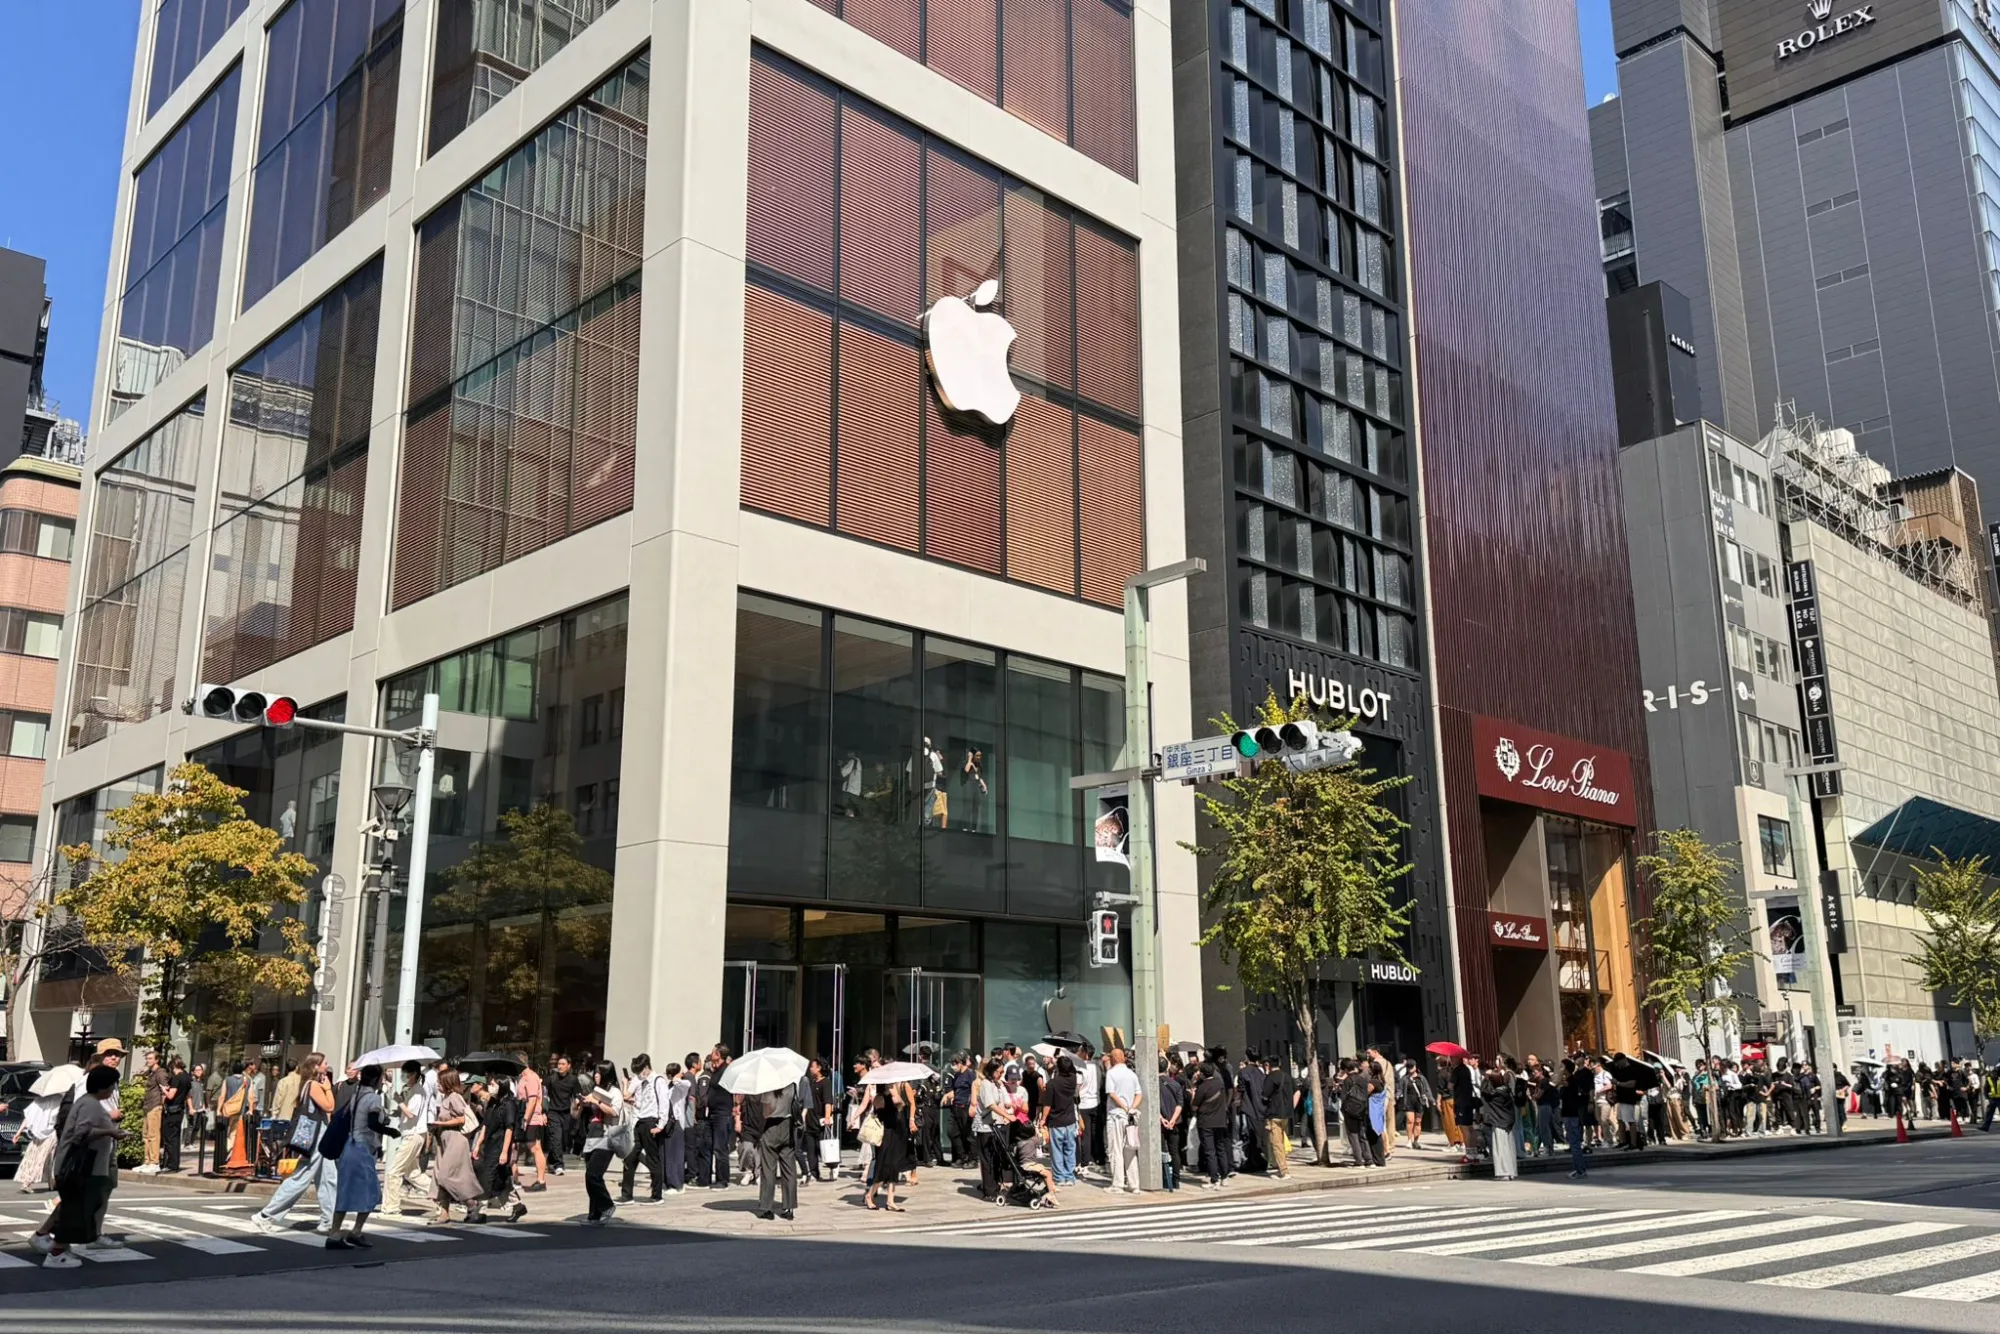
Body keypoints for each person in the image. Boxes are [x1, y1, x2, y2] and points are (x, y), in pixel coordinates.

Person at [38, 1065, 125, 1268]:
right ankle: (56, 1254)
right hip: (83, 1167)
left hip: (85, 1166)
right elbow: (81, 1133)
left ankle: (60, 1250)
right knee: (75, 1211)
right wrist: (110, 1132)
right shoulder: (90, 1105)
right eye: (112, 1085)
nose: (113, 1090)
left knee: (75, 1209)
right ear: (103, 1087)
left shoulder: (89, 1102)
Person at [252, 1055, 340, 1235]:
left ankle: (328, 1221)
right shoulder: (314, 1085)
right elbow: (330, 1106)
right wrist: (329, 1089)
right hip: (316, 1135)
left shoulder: (308, 1083)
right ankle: (266, 1215)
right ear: (316, 1066)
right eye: (324, 1063)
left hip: (318, 1134)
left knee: (329, 1177)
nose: (327, 1065)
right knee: (302, 1177)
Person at [326, 1064, 399, 1249]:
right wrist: (390, 1131)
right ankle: (356, 1231)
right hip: (362, 1149)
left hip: (349, 1147)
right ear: (376, 1079)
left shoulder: (355, 1095)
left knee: (345, 1190)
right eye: (381, 1077)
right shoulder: (373, 1098)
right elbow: (373, 1123)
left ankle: (335, 1232)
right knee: (371, 1192)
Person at [430, 1069, 486, 1224]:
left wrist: (440, 1123)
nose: (437, 1084)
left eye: (439, 1081)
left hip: (456, 1139)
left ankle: (472, 1204)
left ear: (447, 1082)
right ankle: (444, 1213)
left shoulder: (455, 1097)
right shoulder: (446, 1098)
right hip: (445, 1140)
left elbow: (462, 1119)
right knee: (439, 1175)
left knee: (447, 1176)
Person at [472, 1074, 526, 1223]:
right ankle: (517, 1205)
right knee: (500, 1179)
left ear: (502, 1086)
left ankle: (481, 1211)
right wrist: (477, 1145)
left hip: (500, 1145)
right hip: (489, 1144)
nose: (490, 1087)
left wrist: (504, 1152)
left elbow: (509, 1128)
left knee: (487, 1177)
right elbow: (485, 1125)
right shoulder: (492, 1103)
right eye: (490, 1084)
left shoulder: (509, 1104)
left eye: (494, 1085)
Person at [382, 1061, 431, 1216]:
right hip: (412, 1134)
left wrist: (399, 1101)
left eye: (406, 1074)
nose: (403, 1077)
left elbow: (411, 1114)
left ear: (414, 1074)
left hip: (413, 1135)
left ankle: (391, 1206)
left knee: (394, 1171)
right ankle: (440, 1194)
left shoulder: (418, 1091)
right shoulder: (412, 1090)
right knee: (413, 1174)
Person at [579, 1062, 625, 1225]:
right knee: (589, 1176)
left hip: (607, 1135)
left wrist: (597, 1102)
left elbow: (614, 1111)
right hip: (592, 1134)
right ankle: (594, 1214)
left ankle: (607, 1206)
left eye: (599, 1073)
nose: (595, 1076)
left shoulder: (615, 1092)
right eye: (595, 1073)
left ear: (606, 1074)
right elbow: (577, 1114)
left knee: (594, 1174)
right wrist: (580, 1104)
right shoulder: (594, 1091)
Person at [620, 1054, 667, 1205]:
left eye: (640, 1071)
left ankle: (657, 1195)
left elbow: (664, 1102)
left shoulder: (658, 1080)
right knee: (629, 1158)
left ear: (646, 1067)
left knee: (653, 1159)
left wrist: (660, 1125)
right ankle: (627, 1195)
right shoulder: (641, 1082)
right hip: (639, 1122)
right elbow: (638, 1101)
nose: (639, 1074)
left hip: (651, 1122)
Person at [863, 1079, 916, 1212]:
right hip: (885, 1135)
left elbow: (902, 1105)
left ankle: (890, 1200)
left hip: (896, 1133)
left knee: (894, 1167)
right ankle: (869, 1195)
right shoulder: (879, 1098)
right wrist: (894, 1092)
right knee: (883, 1166)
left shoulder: (890, 1096)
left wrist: (895, 1094)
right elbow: (896, 1103)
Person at [756, 1081, 798, 1221]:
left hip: (772, 1126)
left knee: (768, 1168)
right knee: (789, 1168)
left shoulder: (769, 1086)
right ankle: (789, 1207)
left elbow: (767, 1111)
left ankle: (767, 1207)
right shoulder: (792, 1085)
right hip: (788, 1125)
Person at [1104, 1046, 1143, 1194]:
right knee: (1130, 1149)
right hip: (1131, 1116)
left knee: (1116, 1149)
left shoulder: (1111, 1073)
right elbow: (1139, 1094)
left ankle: (1117, 1184)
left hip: (1116, 1115)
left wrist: (1124, 1107)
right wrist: (1131, 1107)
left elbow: (1112, 1094)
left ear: (1113, 1059)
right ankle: (1134, 1184)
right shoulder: (1131, 1074)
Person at [1040, 1054, 1081, 1186]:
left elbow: (1047, 1104)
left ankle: (1059, 1177)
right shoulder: (1073, 1079)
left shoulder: (1052, 1083)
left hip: (1056, 1120)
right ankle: (1069, 1176)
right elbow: (1073, 1071)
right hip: (1070, 1120)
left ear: (1058, 1068)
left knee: (1057, 1150)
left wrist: (1043, 1119)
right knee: (1070, 1149)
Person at [972, 1058, 1009, 1201]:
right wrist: (1006, 1115)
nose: (1001, 1075)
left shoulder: (997, 1084)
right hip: (985, 1126)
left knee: (996, 1157)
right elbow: (991, 1105)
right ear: (992, 1071)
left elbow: (1003, 1101)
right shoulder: (985, 1084)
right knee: (987, 1158)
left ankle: (997, 1185)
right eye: (999, 1072)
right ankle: (989, 1190)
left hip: (996, 1125)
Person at [13, 1085, 61, 1192]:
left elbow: (28, 1118)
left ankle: (28, 1181)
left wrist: (18, 1132)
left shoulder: (38, 1101)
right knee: (49, 1157)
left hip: (37, 1134)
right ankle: (50, 1182)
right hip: (52, 1133)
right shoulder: (60, 1100)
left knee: (33, 1157)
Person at [1192, 1061, 1230, 1188]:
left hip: (1206, 1122)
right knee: (1221, 1148)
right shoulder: (1220, 1084)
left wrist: (1193, 1093)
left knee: (1210, 1151)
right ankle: (1225, 1176)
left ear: (1202, 1073)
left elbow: (1194, 1106)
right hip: (1220, 1121)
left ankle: (1214, 1179)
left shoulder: (1203, 1087)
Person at [517, 1057, 549, 1190]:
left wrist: (526, 1118)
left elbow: (532, 1100)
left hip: (533, 1117)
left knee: (535, 1147)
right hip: (528, 1116)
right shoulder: (523, 1077)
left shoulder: (531, 1077)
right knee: (533, 1146)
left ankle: (541, 1180)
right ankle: (539, 1180)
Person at [1261, 1052, 1295, 1178]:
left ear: (1268, 1065)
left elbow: (1264, 1096)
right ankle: (1279, 1166)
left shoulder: (1270, 1078)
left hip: (1274, 1113)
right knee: (1280, 1141)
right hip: (1286, 1113)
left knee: (1277, 1144)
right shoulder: (1287, 1077)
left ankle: (1283, 1171)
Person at [543, 1055, 577, 1175]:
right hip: (553, 1112)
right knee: (556, 1137)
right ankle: (559, 1165)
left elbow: (576, 1095)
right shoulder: (551, 1079)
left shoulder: (573, 1080)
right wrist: (543, 1111)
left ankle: (550, 1160)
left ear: (569, 1066)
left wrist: (578, 1103)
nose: (560, 1066)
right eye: (559, 1064)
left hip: (566, 1113)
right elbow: (544, 1094)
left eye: (563, 1064)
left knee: (562, 1140)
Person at [1558, 1057, 1592, 1179]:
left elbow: (1556, 1082)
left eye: (1562, 1066)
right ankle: (1579, 1168)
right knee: (1573, 1143)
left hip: (1571, 1114)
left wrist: (1560, 1075)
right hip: (1569, 1113)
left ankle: (1580, 1170)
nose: (1560, 1069)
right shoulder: (1570, 1080)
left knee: (1575, 1143)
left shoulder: (1571, 1081)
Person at [1483, 1065, 1519, 1180]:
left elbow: (1483, 1092)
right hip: (1508, 1122)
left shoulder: (1494, 1094)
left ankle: (1503, 1172)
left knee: (1500, 1148)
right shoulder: (1506, 1090)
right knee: (1509, 1147)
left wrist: (1485, 1078)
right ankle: (1511, 1171)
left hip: (1499, 1122)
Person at [1159, 1058, 1187, 1190]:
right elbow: (1180, 1104)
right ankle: (1176, 1180)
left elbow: (1151, 1105)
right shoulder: (1175, 1085)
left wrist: (1161, 1118)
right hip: (1174, 1123)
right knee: (1174, 1152)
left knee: (1161, 1151)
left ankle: (1164, 1179)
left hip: (1159, 1123)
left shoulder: (1152, 1084)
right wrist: (1173, 1120)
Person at [136, 1050, 166, 1175]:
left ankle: (154, 1162)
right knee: (146, 1135)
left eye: (150, 1058)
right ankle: (147, 1161)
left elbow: (165, 1090)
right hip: (148, 1106)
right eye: (147, 1058)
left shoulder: (160, 1073)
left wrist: (161, 1105)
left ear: (156, 1060)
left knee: (153, 1135)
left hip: (155, 1105)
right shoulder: (151, 1073)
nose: (147, 1061)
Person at [1397, 1059, 1433, 1152]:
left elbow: (1427, 1089)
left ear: (1415, 1067)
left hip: (1419, 1101)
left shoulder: (1421, 1078)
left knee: (1418, 1121)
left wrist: (1431, 1100)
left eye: (1411, 1067)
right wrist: (1396, 1095)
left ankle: (1416, 1141)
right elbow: (1400, 1089)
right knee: (1410, 1121)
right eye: (1408, 1067)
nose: (1410, 1069)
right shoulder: (1404, 1079)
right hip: (1408, 1100)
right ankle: (1409, 1140)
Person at [1452, 1054, 1481, 1163]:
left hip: (1461, 1102)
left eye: (1453, 1058)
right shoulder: (1469, 1069)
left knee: (1465, 1129)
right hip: (1470, 1101)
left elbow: (1450, 1085)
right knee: (1471, 1128)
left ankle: (1469, 1154)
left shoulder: (1457, 1070)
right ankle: (1474, 1153)